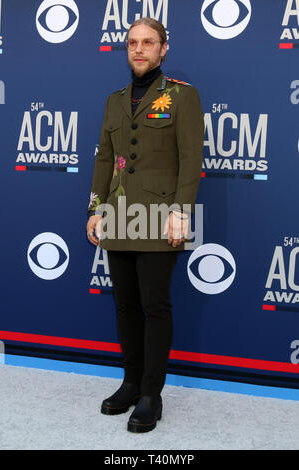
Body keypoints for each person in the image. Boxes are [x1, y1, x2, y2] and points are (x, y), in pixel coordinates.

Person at [86, 17, 204, 433]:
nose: (139, 49)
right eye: (133, 42)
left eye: (148, 42)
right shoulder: (114, 99)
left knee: (155, 306)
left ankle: (152, 394)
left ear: (163, 48)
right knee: (125, 305)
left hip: (159, 216)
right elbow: (105, 158)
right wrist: (96, 208)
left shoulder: (182, 97)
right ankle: (131, 382)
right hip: (118, 215)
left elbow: (191, 160)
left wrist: (181, 212)